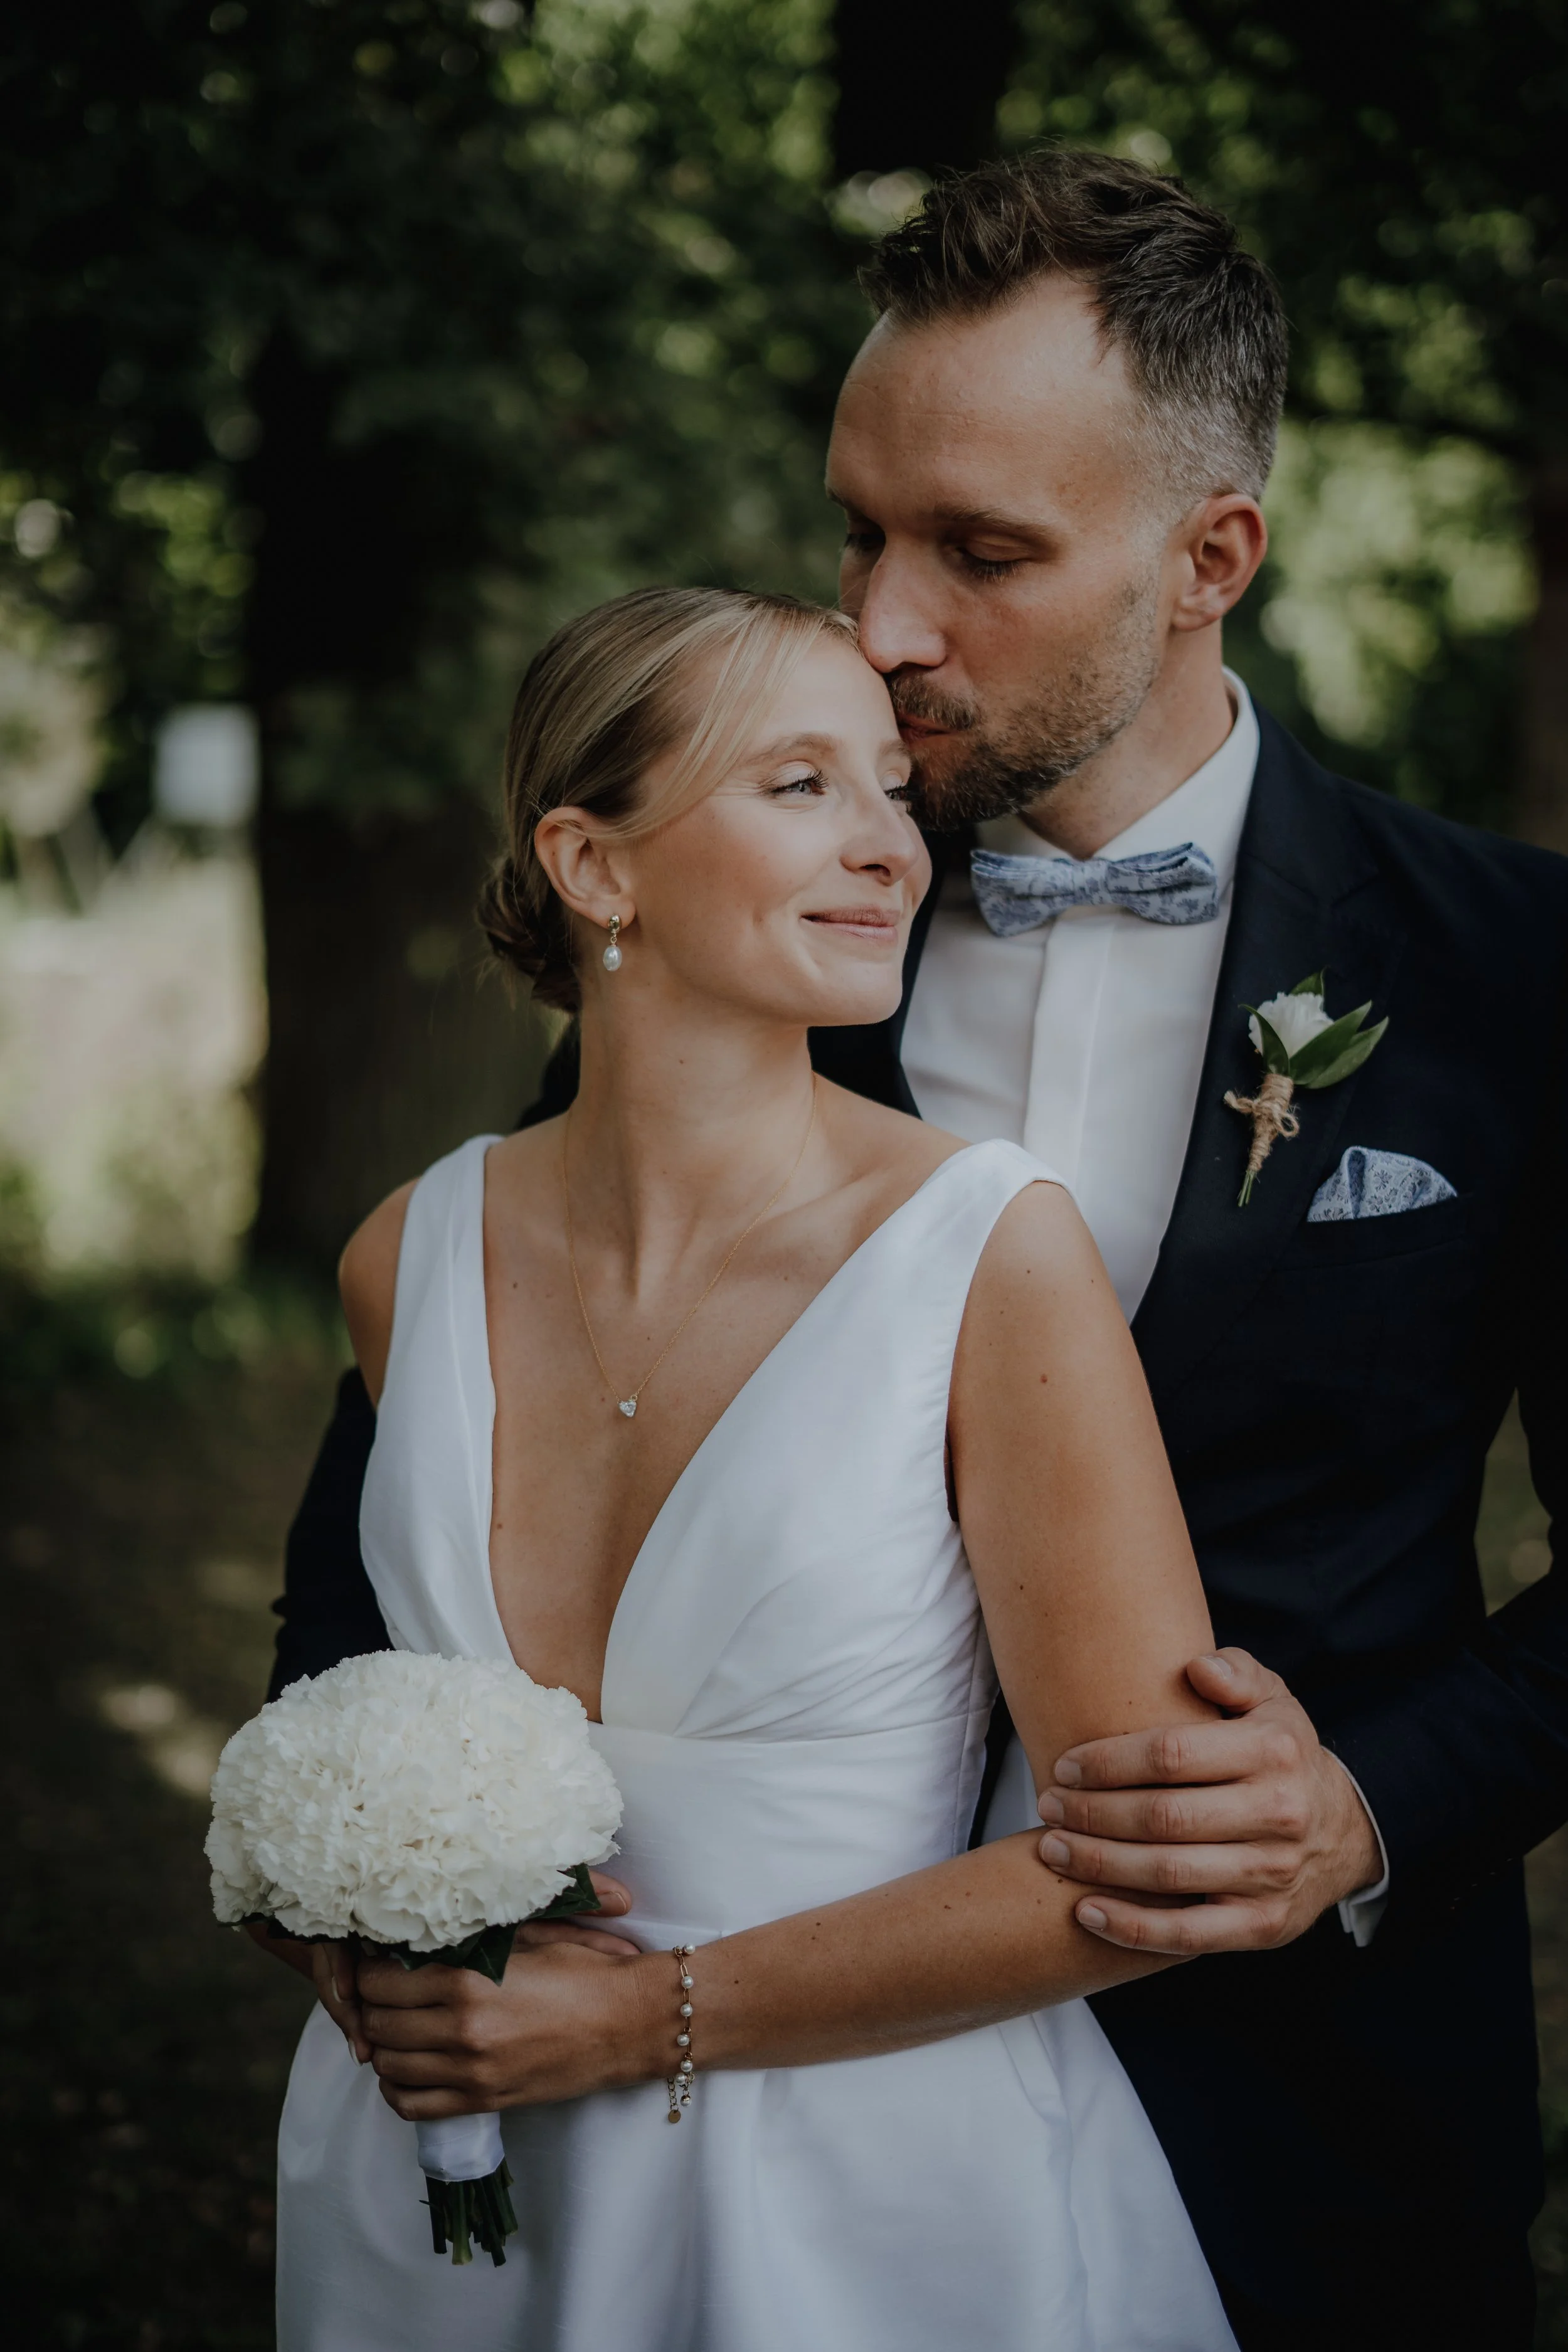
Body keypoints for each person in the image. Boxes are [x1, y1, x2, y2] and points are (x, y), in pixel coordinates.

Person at [267, 154, 1568, 2347]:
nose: (880, 624)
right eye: (856, 531)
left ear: (1208, 559)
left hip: (1301, 2102)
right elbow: (388, 1534)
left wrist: (1362, 1806)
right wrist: (373, 1884)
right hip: (693, 2145)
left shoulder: (1508, 970)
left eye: (978, 550)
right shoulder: (733, 933)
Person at [260, 584, 1239, 2351]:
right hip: (440, 2172)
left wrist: (642, 2017)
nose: (891, 848)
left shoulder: (989, 1253)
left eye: (892, 789)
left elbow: (1146, 1872)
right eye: (800, 786)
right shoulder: (410, 1251)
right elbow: (338, 1704)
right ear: (593, 864)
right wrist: (344, 1928)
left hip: (855, 2200)